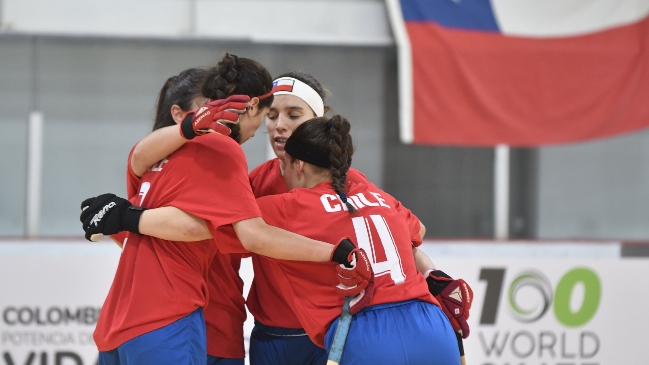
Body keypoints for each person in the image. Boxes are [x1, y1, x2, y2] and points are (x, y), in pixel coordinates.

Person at [79, 53, 371, 365]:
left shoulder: (170, 152)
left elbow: (142, 169)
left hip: (138, 322)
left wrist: (124, 219)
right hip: (196, 322)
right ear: (252, 108)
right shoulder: (234, 164)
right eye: (271, 115)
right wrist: (336, 252)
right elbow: (246, 234)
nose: (277, 126)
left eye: (294, 115)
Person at [126, 115, 465, 364]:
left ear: (298, 165)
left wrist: (128, 217)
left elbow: (201, 226)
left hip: (366, 333)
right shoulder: (378, 196)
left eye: (283, 165)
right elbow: (416, 232)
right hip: (433, 325)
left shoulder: (287, 206)